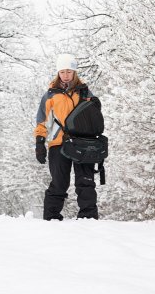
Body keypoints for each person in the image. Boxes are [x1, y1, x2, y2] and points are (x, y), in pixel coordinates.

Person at [34, 53, 101, 221]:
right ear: (58, 73)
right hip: (59, 143)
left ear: (74, 73)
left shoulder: (84, 91)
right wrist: (40, 142)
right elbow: (42, 121)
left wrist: (95, 105)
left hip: (83, 143)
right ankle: (51, 218)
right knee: (59, 182)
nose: (65, 75)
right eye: (62, 72)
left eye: (69, 71)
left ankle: (88, 217)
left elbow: (94, 116)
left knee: (85, 181)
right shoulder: (50, 95)